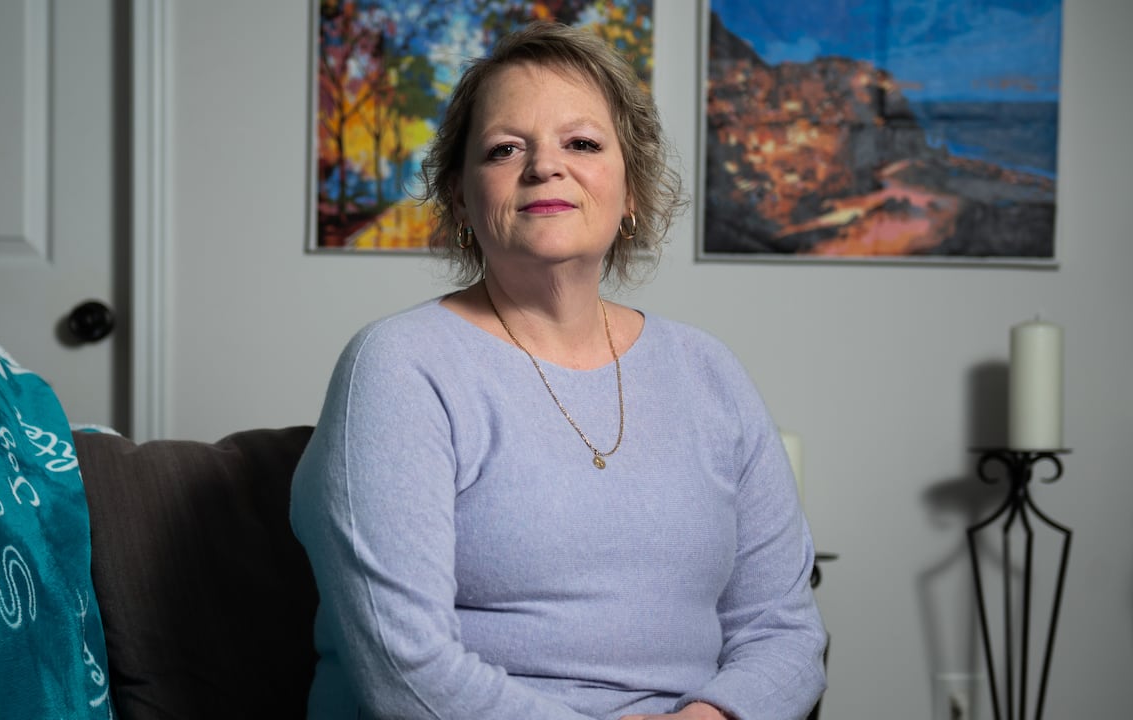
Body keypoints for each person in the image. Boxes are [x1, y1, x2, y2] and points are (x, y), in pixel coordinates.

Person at [291, 21, 827, 720]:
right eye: (505, 148)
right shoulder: (398, 368)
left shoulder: (710, 372)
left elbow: (785, 632)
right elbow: (404, 670)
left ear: (630, 189)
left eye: (581, 143)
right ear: (459, 197)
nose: (545, 166)